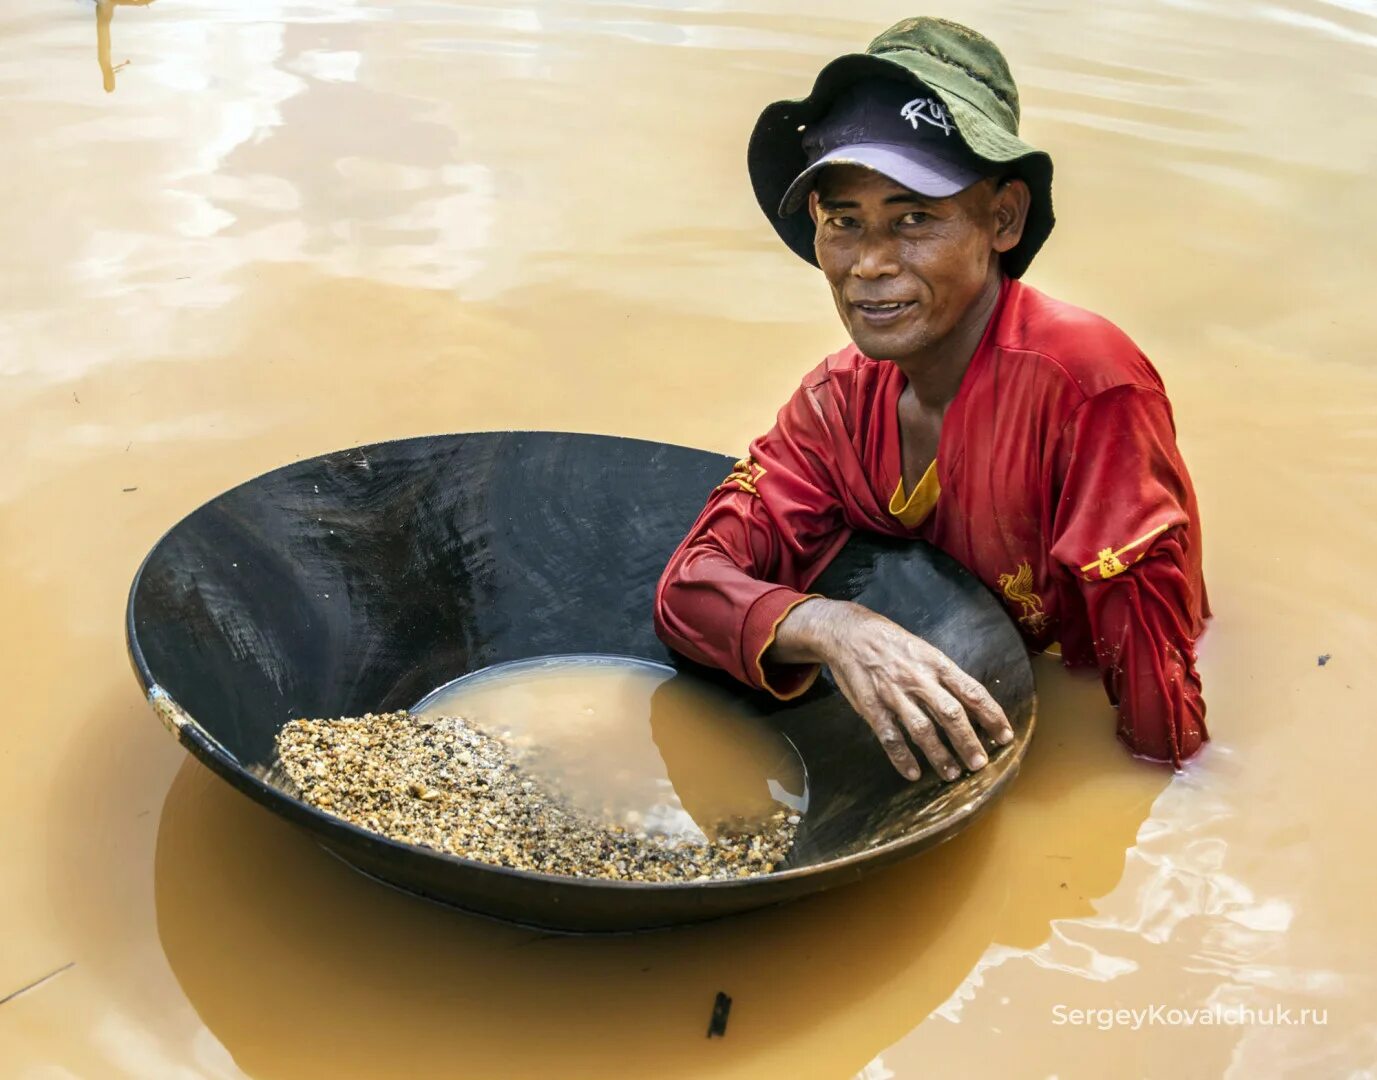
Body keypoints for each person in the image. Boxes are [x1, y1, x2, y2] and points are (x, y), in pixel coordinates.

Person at [653, 16, 1209, 782]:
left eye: (914, 217)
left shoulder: (1085, 385)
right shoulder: (835, 403)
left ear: (1001, 217)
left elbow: (1149, 668)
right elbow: (688, 589)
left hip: (1052, 700)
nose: (870, 264)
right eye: (843, 222)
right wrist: (833, 626)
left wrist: (1160, 804)